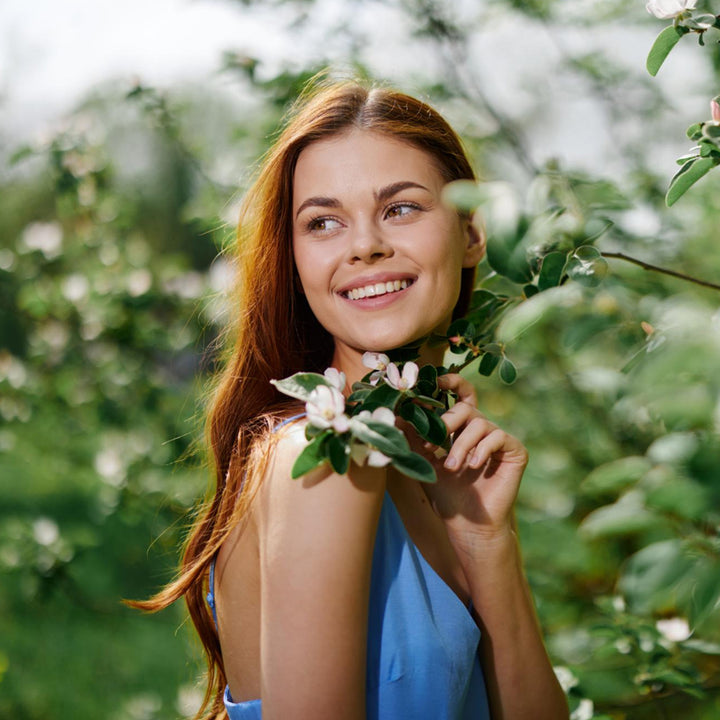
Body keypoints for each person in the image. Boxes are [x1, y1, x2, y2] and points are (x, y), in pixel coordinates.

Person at [137, 79, 569, 720]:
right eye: (324, 222)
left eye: (400, 209)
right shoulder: (326, 460)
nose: (363, 245)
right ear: (297, 259)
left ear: (472, 233)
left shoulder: (432, 465)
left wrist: (486, 541)